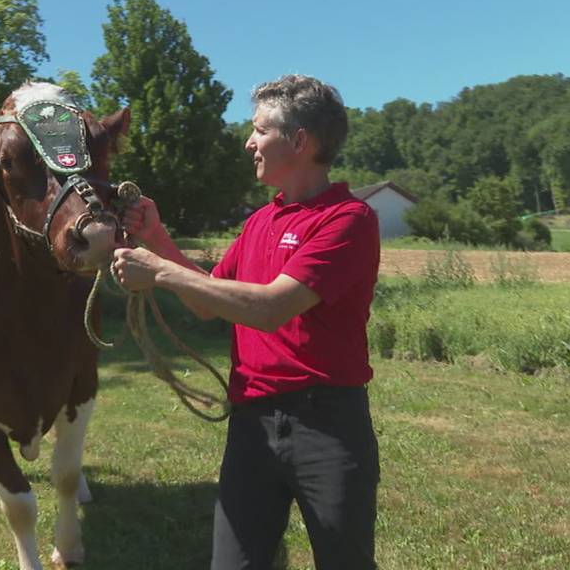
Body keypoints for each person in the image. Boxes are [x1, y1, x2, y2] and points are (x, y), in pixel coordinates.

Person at [112, 74, 380, 569]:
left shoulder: (347, 220)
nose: (248, 141)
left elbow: (269, 308)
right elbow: (208, 300)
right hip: (252, 423)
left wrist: (161, 271)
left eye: (260, 130)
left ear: (299, 142)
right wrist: (158, 238)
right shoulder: (260, 222)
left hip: (327, 425)